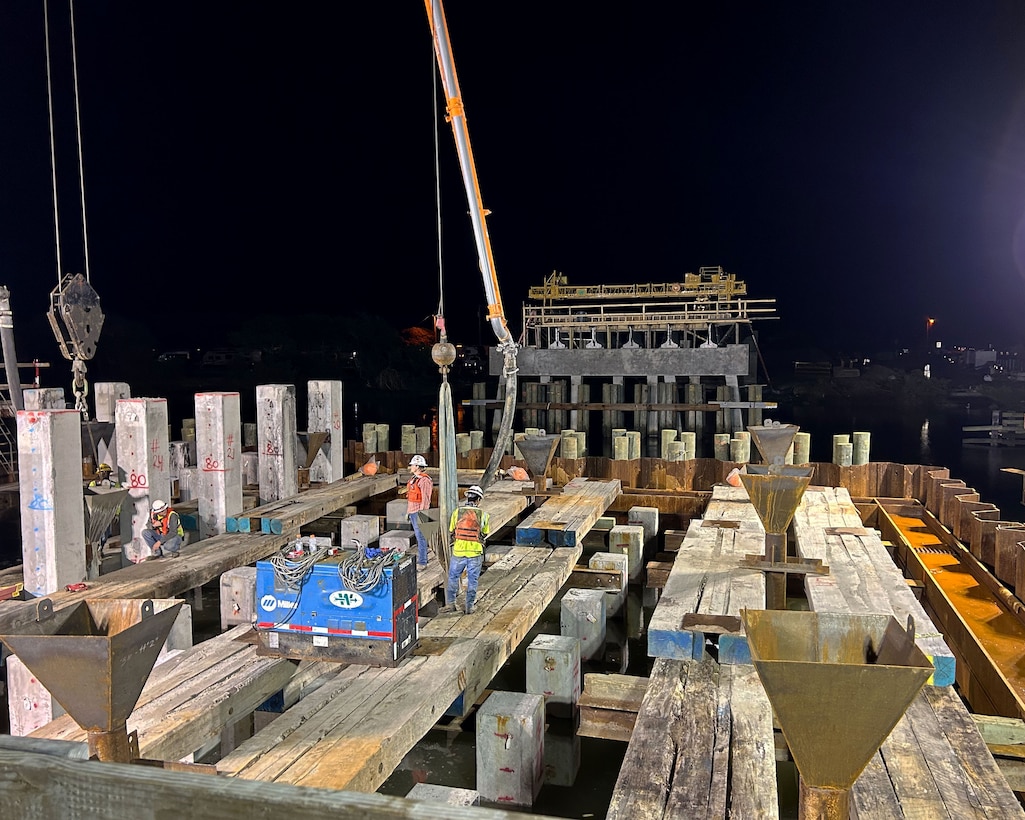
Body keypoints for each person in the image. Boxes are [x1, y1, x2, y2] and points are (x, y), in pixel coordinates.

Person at [442, 484, 489, 615]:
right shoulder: (483, 515)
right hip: (475, 553)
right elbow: (485, 533)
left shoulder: (457, 513)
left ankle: (451, 604)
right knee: (472, 580)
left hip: (458, 551)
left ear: (467, 497)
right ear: (478, 500)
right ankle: (469, 607)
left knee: (453, 578)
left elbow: (451, 530)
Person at [401, 454, 434, 567]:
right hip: (413, 512)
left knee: (421, 538)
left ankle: (422, 562)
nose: (410, 467)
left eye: (412, 465)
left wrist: (422, 514)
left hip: (419, 513)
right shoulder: (414, 479)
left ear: (417, 466)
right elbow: (411, 497)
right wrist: (408, 512)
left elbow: (426, 499)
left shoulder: (424, 481)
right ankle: (422, 559)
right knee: (419, 537)